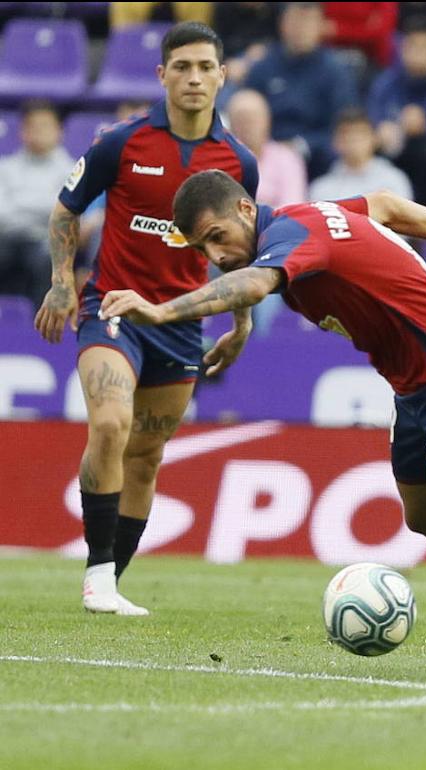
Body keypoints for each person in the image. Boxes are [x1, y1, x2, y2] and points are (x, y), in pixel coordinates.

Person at [98, 170, 426, 685]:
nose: (214, 256)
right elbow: (390, 206)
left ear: (245, 210)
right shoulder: (305, 222)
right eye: (201, 250)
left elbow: (257, 282)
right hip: (414, 386)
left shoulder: (292, 233)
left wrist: (164, 312)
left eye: (216, 238)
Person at [33, 22, 258, 616]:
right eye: (181, 67)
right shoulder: (121, 142)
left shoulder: (239, 162)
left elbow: (240, 251)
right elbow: (65, 209)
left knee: (147, 456)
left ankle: (110, 580)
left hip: (181, 325)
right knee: (110, 426)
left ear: (222, 76)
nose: (193, 78)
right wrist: (61, 282)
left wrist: (242, 322)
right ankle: (98, 576)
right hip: (111, 310)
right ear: (161, 75)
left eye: (204, 67)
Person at [244, 2, 358, 179]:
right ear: (282, 23)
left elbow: (342, 126)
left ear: (321, 26)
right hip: (266, 159)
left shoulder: (335, 71)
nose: (302, 29)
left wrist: (302, 146)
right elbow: (246, 111)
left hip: (319, 163)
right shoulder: (263, 67)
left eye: (309, 22)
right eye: (296, 21)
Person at [366, 19, 426, 209]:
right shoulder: (386, 83)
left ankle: (425, 219)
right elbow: (372, 119)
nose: (417, 54)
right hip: (393, 150)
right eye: (411, 47)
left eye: (424, 48)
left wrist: (424, 127)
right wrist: (383, 129)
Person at [0, 100, 75, 305]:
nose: (38, 132)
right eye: (32, 127)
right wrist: (42, 210)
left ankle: (40, 329)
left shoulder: (72, 170)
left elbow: (64, 212)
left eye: (45, 126)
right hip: (6, 237)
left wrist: (20, 205)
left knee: (48, 258)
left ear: (59, 131)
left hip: (46, 241)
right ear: (22, 132)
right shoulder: (5, 168)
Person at [226, 89, 307, 209]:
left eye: (253, 119)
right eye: (241, 120)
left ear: (267, 121)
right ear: (231, 125)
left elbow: (293, 206)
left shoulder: (287, 158)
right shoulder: (222, 160)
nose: (247, 126)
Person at [308, 109, 413, 202]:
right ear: (335, 141)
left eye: (360, 133)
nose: (353, 140)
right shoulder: (320, 189)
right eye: (346, 134)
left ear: (374, 138)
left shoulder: (394, 180)